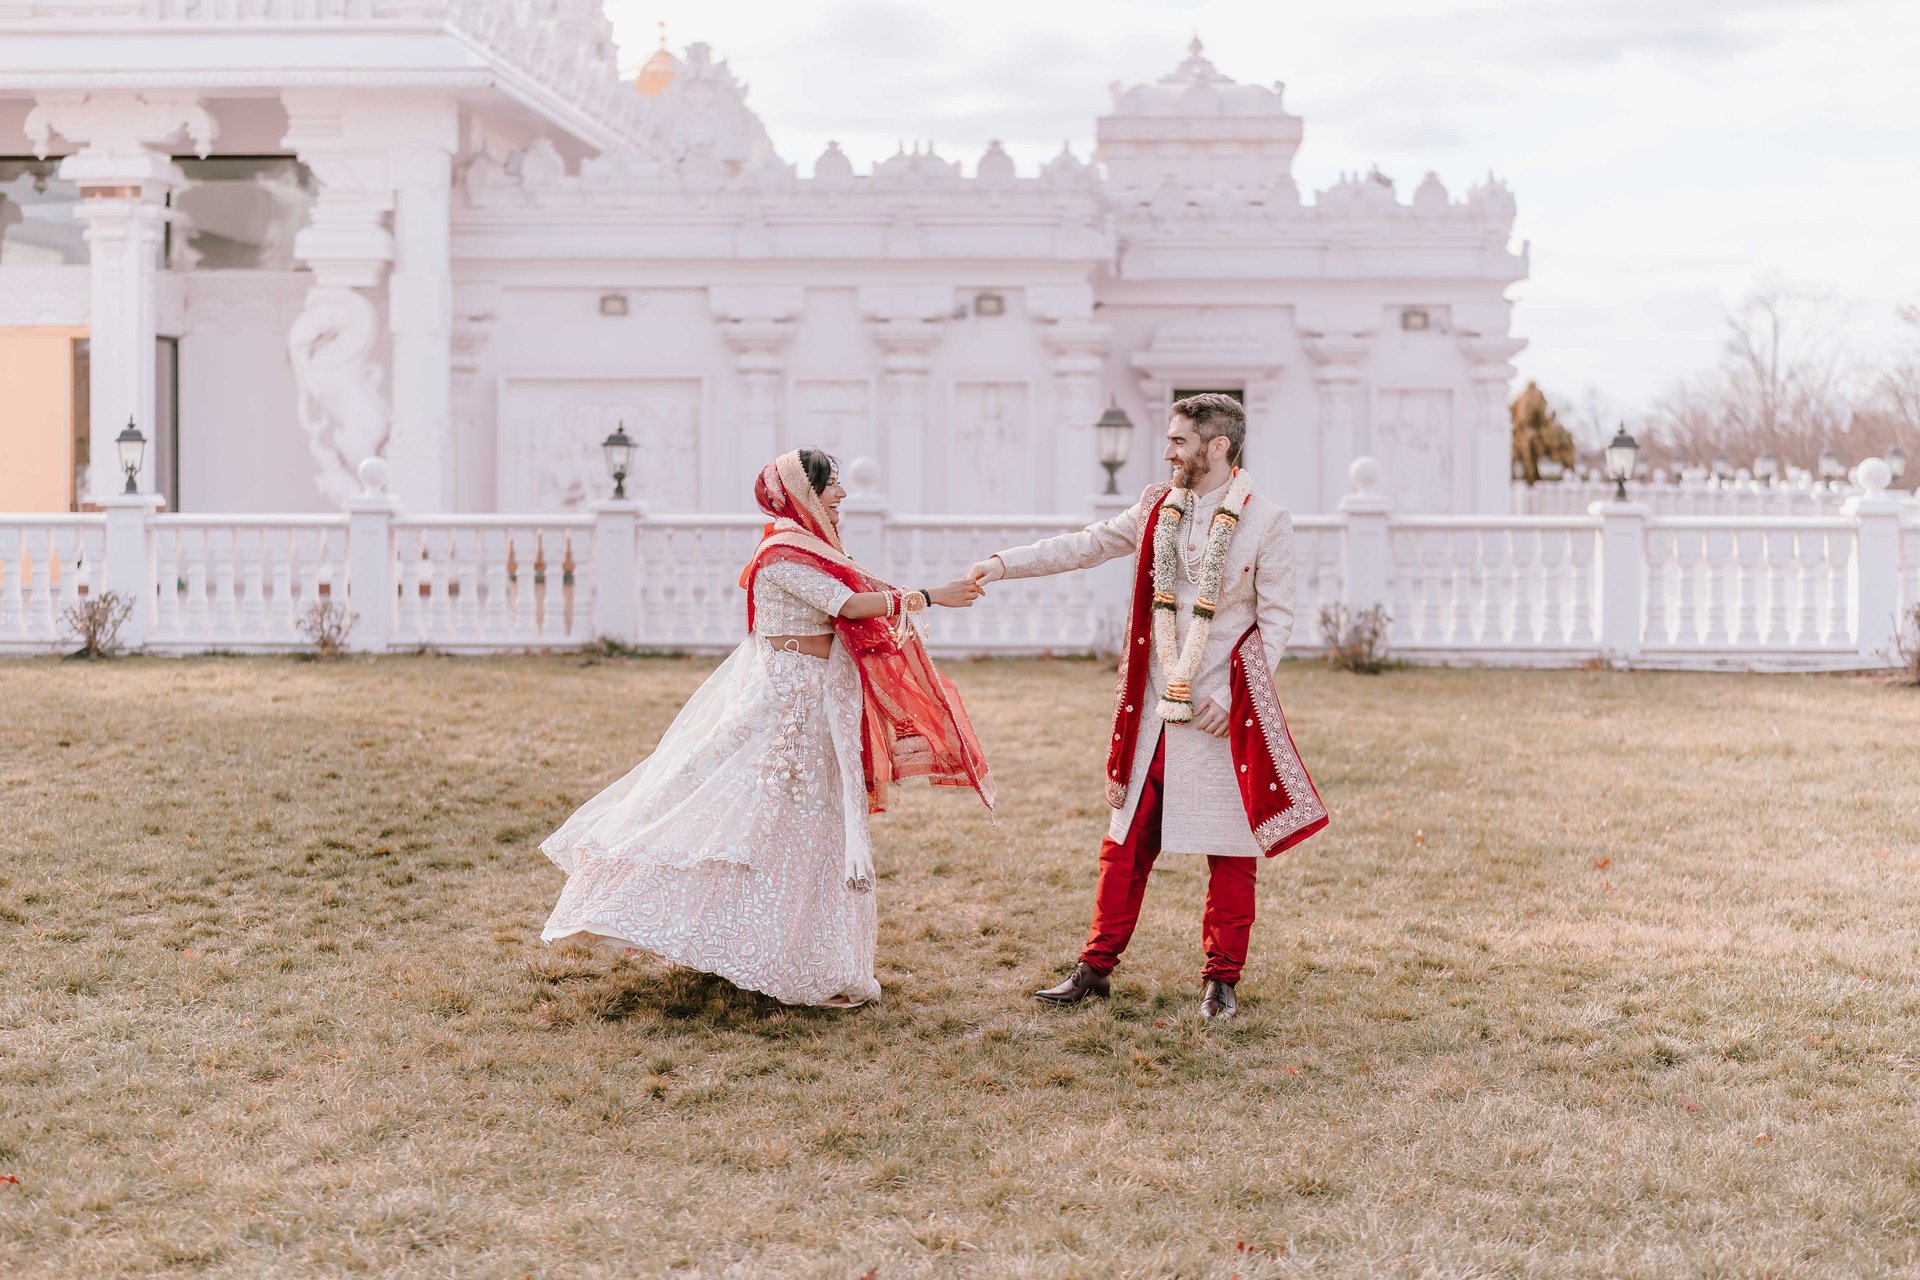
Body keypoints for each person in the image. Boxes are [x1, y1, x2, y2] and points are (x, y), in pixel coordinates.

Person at [539, 448, 994, 1008]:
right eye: (832, 487)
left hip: (816, 701)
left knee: (807, 826)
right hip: (789, 707)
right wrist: (929, 596)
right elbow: (848, 607)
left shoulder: (810, 547)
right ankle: (740, 943)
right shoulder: (782, 553)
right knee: (763, 817)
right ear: (805, 493)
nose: (842, 496)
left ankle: (796, 954)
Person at [969, 393, 1327, 1020]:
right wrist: (1003, 565)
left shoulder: (1266, 520)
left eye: (1179, 442)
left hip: (1218, 712)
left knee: (1230, 849)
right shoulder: (1155, 506)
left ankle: (1222, 981)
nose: (1167, 451)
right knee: (1124, 842)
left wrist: (1229, 694)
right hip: (1155, 709)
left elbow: (1277, 618)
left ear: (1218, 447)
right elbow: (1087, 544)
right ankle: (1094, 968)